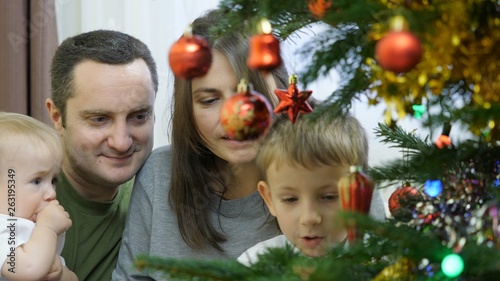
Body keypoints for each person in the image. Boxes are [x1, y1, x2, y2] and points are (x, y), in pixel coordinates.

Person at [113, 9, 385, 281]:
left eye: (250, 94)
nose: (236, 117)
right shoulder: (160, 175)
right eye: (209, 100)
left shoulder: (336, 167)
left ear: (279, 90)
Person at [45, 30, 158, 281]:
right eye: (99, 119)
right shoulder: (15, 195)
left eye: (138, 116)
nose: (121, 142)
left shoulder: (163, 190)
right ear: (57, 117)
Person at [237, 114, 371, 266]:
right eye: (290, 199)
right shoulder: (254, 265)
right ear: (269, 199)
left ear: (359, 194)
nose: (309, 218)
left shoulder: (384, 258)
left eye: (329, 197)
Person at [0, 112, 77, 281]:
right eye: (36, 181)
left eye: (54, 180)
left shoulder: (34, 230)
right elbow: (28, 270)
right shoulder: (4, 229)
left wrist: (61, 274)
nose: (52, 193)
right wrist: (48, 227)